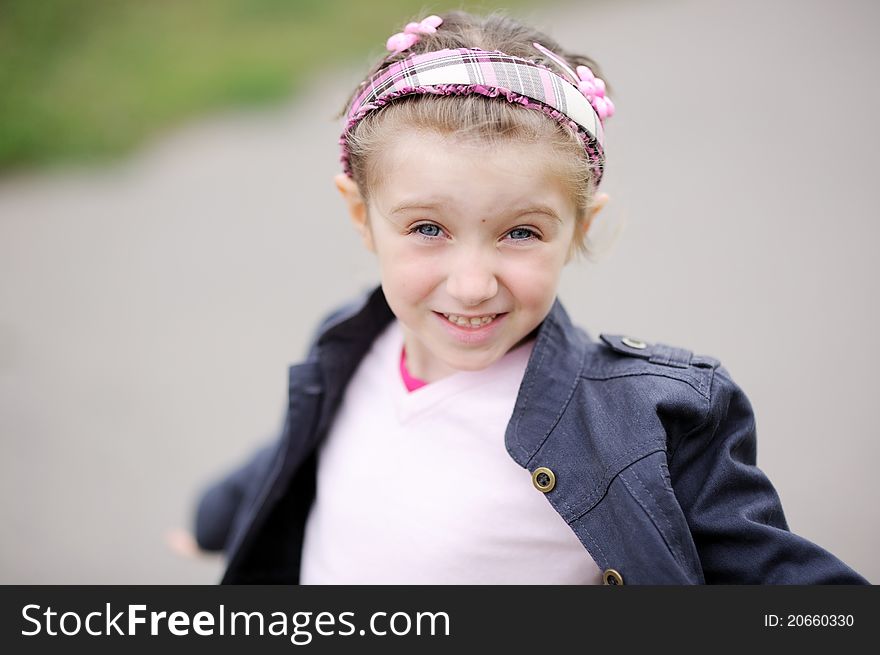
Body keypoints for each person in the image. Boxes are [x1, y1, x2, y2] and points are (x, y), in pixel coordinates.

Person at [185, 10, 869, 585]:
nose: (474, 283)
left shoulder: (640, 421)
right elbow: (296, 448)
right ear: (362, 216)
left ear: (579, 228)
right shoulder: (350, 342)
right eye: (429, 228)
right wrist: (212, 516)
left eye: (519, 232)